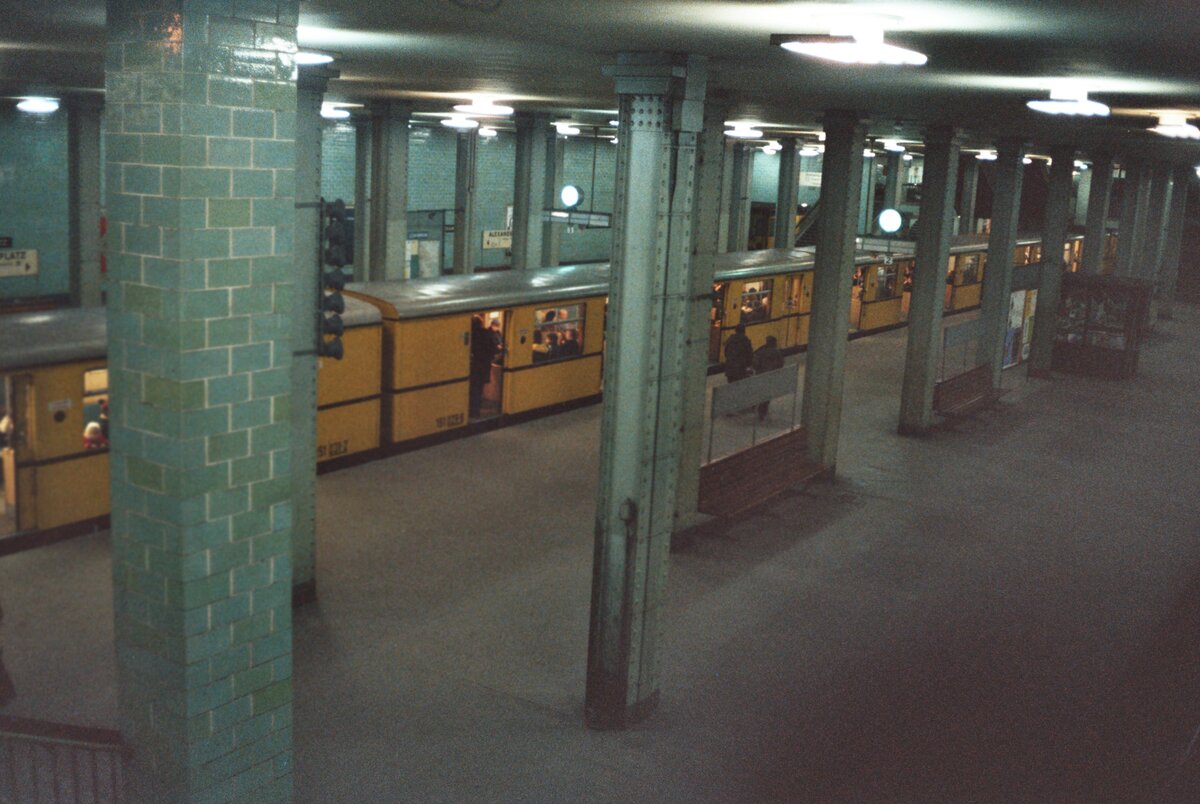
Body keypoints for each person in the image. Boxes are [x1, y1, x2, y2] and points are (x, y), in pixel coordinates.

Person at [468, 315, 499, 418]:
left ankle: (471, 410)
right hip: (483, 365)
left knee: (472, 389)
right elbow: (492, 349)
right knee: (478, 389)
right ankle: (476, 411)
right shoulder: (485, 333)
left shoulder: (470, 334)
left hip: (472, 365)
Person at [752, 335, 784, 420]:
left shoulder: (761, 351)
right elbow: (781, 363)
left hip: (761, 375)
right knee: (767, 394)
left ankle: (759, 409)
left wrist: (757, 369)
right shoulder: (777, 352)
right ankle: (763, 411)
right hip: (771, 377)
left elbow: (755, 362)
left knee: (761, 392)